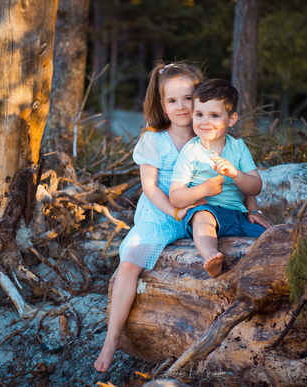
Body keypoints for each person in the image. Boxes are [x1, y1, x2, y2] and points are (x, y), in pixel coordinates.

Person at [94, 62, 205, 373]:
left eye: (189, 97)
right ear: (161, 104)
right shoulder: (153, 139)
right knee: (130, 259)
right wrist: (175, 211)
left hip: (198, 211)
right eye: (173, 100)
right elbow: (150, 187)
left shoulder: (207, 134)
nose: (182, 106)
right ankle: (112, 338)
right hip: (160, 214)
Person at [169, 79, 270, 278]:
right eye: (199, 114)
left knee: (269, 237)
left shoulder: (238, 147)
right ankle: (211, 255)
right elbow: (175, 197)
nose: (205, 121)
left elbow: (255, 186)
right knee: (202, 218)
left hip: (238, 215)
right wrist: (203, 190)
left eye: (214, 115)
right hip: (206, 209)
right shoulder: (191, 151)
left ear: (231, 120)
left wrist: (236, 176)